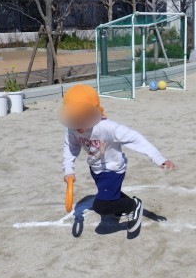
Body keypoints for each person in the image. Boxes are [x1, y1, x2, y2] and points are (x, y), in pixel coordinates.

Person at [61, 84, 175, 235]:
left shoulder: (107, 127)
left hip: (113, 169)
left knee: (101, 206)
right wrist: (68, 169)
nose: (78, 125)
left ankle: (133, 206)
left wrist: (158, 158)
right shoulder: (72, 128)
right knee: (110, 195)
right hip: (95, 168)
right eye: (74, 117)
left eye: (82, 117)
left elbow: (135, 138)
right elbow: (70, 147)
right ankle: (119, 205)